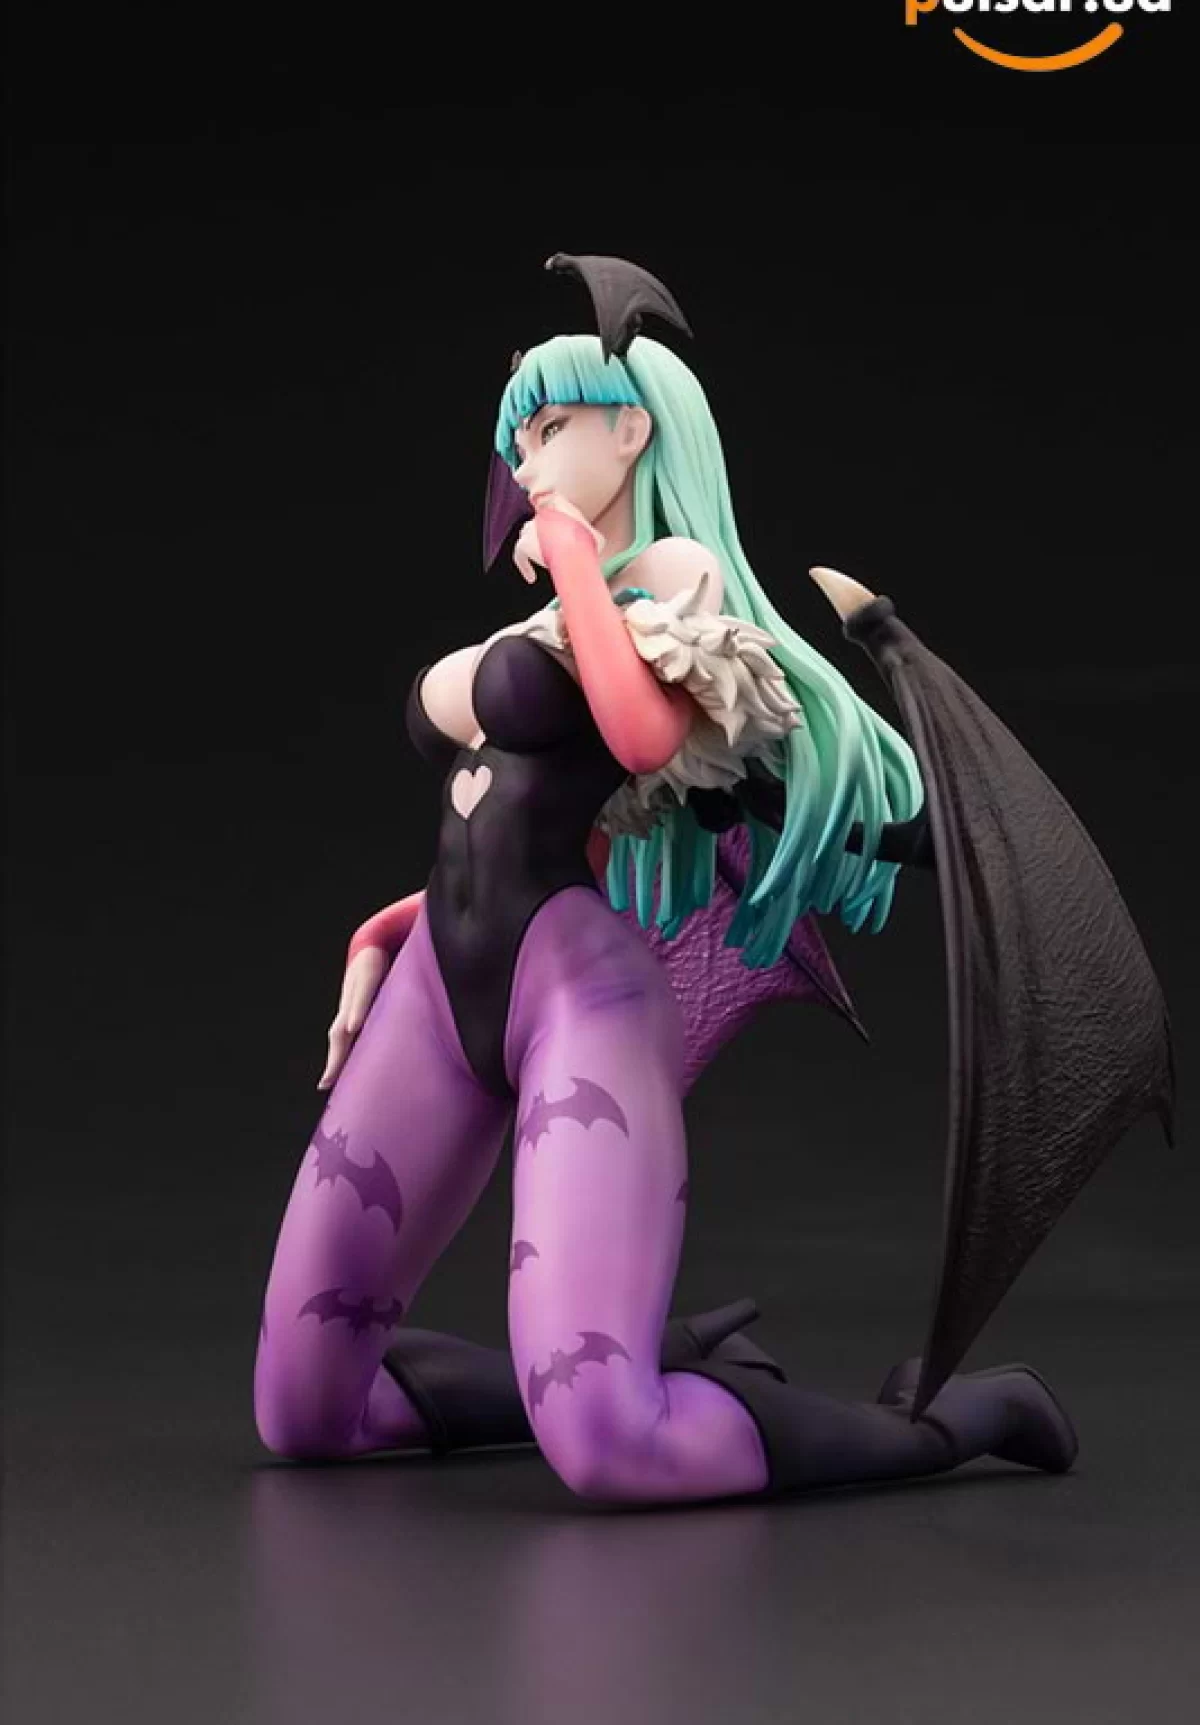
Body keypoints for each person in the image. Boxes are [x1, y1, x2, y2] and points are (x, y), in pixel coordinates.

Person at [252, 265, 1085, 1503]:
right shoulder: (558, 614)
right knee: (308, 1413)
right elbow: (527, 816)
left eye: (550, 427)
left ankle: (960, 1418)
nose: (526, 461)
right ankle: (671, 1361)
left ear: (632, 431)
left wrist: (575, 559)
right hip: (440, 984)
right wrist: (396, 924)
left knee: (610, 1446)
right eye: (516, 440)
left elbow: (641, 741)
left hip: (575, 1000)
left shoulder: (669, 581)